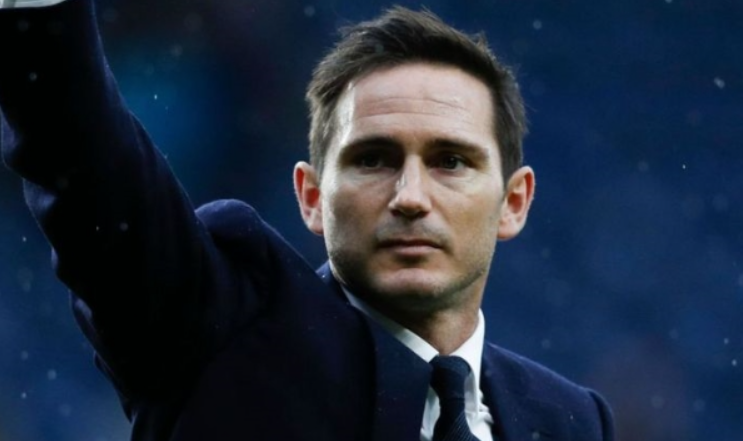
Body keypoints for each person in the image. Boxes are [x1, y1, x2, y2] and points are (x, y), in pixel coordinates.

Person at [0, 0, 615, 440]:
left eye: (450, 161)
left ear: (513, 202)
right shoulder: (222, 333)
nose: (410, 196)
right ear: (312, 196)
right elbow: (88, 165)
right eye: (373, 159)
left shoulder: (572, 420)